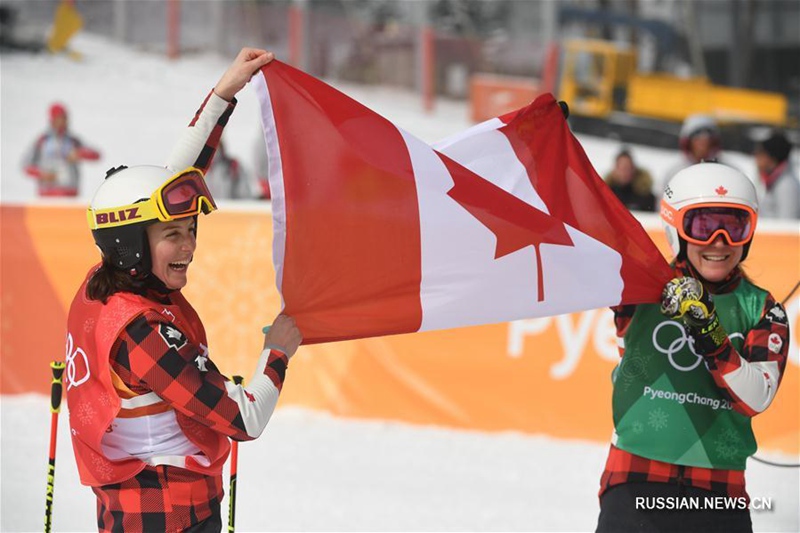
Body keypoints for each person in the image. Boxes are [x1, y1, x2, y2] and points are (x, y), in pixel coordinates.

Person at [64, 48, 302, 532]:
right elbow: (243, 420)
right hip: (172, 516)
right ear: (130, 243)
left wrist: (223, 95)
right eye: (174, 234)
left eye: (192, 231)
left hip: (130, 513)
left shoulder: (105, 284)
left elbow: (161, 184)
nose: (189, 246)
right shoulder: (142, 334)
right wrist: (276, 353)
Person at [596, 163, 790, 532]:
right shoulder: (641, 285)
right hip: (635, 484)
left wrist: (711, 333)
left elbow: (755, 398)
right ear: (675, 228)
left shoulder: (763, 309)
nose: (719, 242)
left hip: (720, 496)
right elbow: (585, 242)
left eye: (735, 227)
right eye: (702, 226)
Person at [24, 102, 101, 196]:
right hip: (47, 194)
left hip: (70, 194)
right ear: (52, 119)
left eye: (64, 118)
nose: (63, 121)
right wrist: (42, 174)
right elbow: (26, 166)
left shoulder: (73, 141)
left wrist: (79, 154)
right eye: (59, 118)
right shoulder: (42, 141)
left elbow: (96, 155)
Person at [662, 115, 738, 187]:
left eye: (708, 137)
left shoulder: (728, 173)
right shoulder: (675, 174)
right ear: (688, 142)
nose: (703, 142)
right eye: (697, 136)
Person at [753, 130, 799, 219]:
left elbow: (787, 226)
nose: (756, 157)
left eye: (760, 153)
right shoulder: (774, 181)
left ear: (772, 158)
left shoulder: (786, 186)